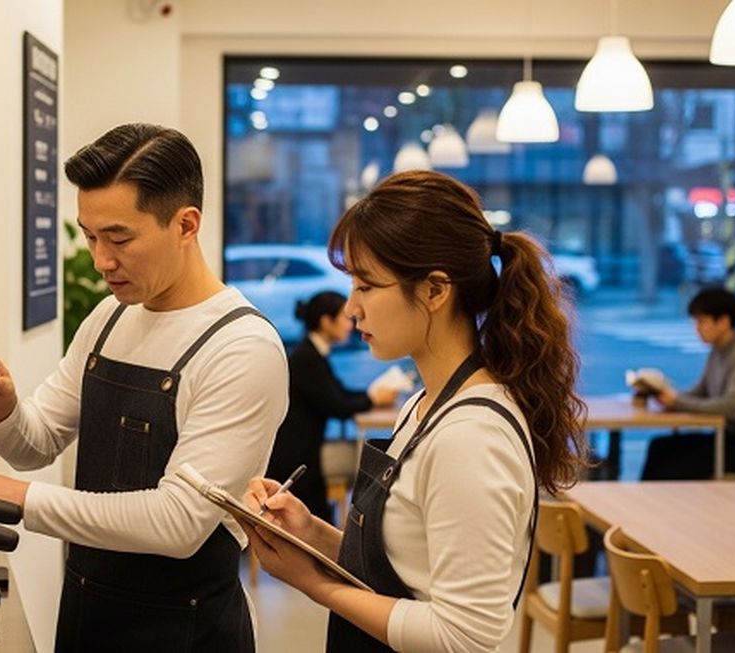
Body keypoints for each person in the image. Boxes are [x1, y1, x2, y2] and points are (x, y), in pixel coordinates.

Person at [0, 123, 288, 652]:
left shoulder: (241, 348)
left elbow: (178, 523)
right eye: (89, 235)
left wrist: (17, 499)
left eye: (120, 237)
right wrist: (5, 409)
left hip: (186, 630)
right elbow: (34, 446)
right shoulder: (109, 317)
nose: (101, 259)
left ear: (186, 224)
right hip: (90, 612)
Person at [241, 170, 588, 653]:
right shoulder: (424, 406)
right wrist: (311, 535)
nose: (351, 309)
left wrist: (315, 584)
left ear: (434, 290)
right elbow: (406, 568)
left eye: (366, 286)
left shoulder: (473, 437)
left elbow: (464, 635)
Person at [267, 292, 398, 524]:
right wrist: (373, 400)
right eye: (345, 319)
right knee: (318, 521)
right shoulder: (306, 358)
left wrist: (370, 396)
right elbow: (337, 405)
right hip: (294, 460)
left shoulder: (313, 352)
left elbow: (339, 393)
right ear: (326, 321)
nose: (351, 325)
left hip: (302, 452)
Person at [641, 287, 735, 480]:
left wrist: (677, 401)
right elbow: (700, 391)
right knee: (659, 447)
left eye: (702, 321)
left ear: (724, 322)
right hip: (731, 439)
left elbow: (734, 408)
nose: (697, 328)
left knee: (672, 466)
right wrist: (666, 395)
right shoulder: (718, 350)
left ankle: (653, 509)